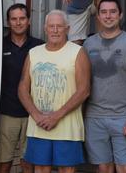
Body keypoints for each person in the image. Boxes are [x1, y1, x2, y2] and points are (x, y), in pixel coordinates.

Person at [18, 10, 91, 173]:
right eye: (51, 26)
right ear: (45, 28)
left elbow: (84, 90)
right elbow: (23, 88)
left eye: (59, 26)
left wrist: (56, 116)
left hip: (67, 128)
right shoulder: (34, 53)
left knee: (66, 169)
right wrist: (36, 115)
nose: (55, 30)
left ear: (68, 29)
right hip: (39, 126)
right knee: (41, 168)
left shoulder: (77, 52)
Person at [83, 0, 126, 173]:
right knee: (103, 169)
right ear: (98, 17)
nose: (108, 16)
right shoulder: (88, 44)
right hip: (94, 117)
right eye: (104, 12)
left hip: (123, 116)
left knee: (125, 168)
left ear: (120, 15)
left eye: (112, 12)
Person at [0, 3, 45, 173]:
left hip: (33, 114)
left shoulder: (40, 47)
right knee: (4, 164)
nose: (18, 23)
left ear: (29, 21)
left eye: (22, 18)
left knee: (28, 164)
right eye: (14, 19)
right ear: (8, 22)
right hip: (6, 113)